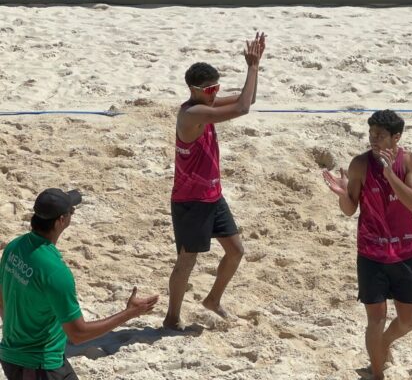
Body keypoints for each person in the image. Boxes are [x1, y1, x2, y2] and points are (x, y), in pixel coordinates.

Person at [163, 32, 266, 330]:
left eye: (217, 88)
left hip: (212, 196)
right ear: (196, 90)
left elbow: (250, 99)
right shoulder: (193, 114)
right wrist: (252, 68)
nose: (215, 93)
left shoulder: (206, 104)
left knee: (236, 251)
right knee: (186, 261)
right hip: (190, 202)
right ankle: (171, 317)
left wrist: (255, 65)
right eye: (212, 89)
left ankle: (213, 300)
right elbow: (242, 108)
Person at [0, 188, 158, 380]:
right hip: (41, 365)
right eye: (71, 212)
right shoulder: (55, 272)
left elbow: (3, 301)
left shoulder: (14, 247)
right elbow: (78, 334)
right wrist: (130, 313)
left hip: (10, 356)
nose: (71, 215)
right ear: (61, 221)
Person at [322, 110, 412, 380]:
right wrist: (343, 195)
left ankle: (383, 346)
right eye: (371, 134)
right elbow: (349, 209)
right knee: (376, 319)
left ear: (396, 137)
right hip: (371, 252)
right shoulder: (360, 164)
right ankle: (376, 373)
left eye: (380, 135)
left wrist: (389, 174)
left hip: (403, 251)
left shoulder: (411, 161)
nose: (374, 139)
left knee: (408, 321)